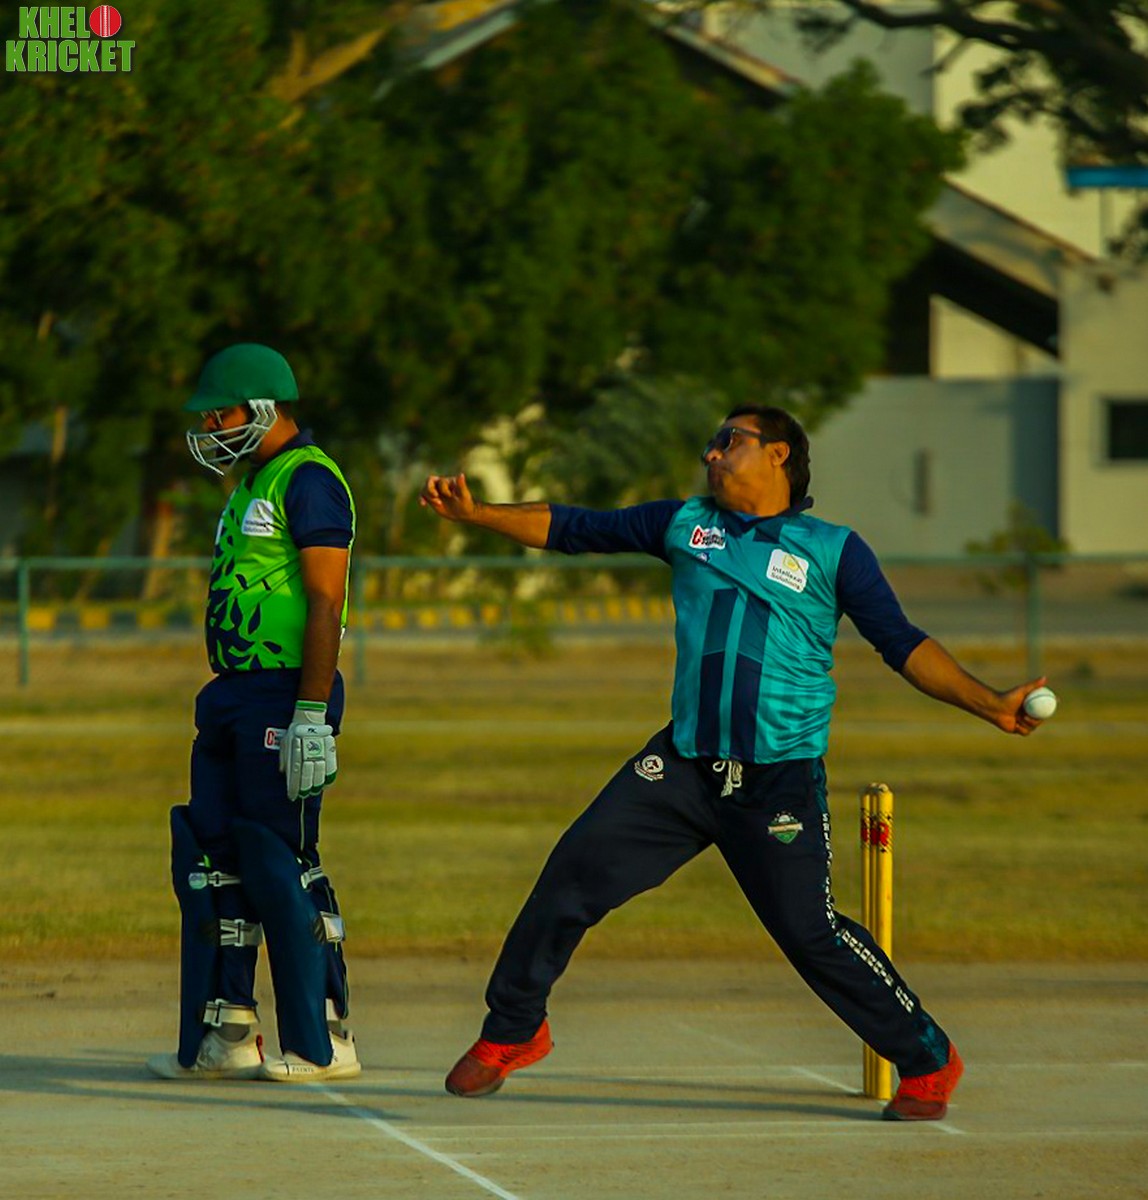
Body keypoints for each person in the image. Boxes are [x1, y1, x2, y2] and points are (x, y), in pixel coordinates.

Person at [419, 405, 1051, 1121]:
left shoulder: (833, 549)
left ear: (779, 454)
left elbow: (902, 644)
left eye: (729, 441)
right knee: (571, 876)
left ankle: (928, 1057)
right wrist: (479, 515)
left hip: (777, 779)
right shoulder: (684, 524)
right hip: (683, 766)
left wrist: (992, 704)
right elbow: (573, 527)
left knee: (810, 933)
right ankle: (513, 1029)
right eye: (712, 443)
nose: (711, 454)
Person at [147, 343, 360, 1083]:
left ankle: (325, 1035)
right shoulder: (248, 485)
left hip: (284, 692)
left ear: (264, 407)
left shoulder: (310, 479)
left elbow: (326, 600)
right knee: (215, 856)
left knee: (282, 856)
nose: (210, 425)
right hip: (232, 693)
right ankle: (229, 1028)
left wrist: (311, 714)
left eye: (222, 412)